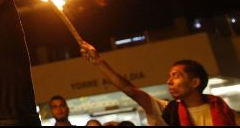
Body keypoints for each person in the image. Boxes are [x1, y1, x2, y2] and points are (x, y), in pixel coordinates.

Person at [80, 41, 240, 126]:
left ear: (195, 82)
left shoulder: (227, 113)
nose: (169, 81)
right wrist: (99, 62)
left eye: (176, 76)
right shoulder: (168, 111)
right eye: (169, 76)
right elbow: (130, 90)